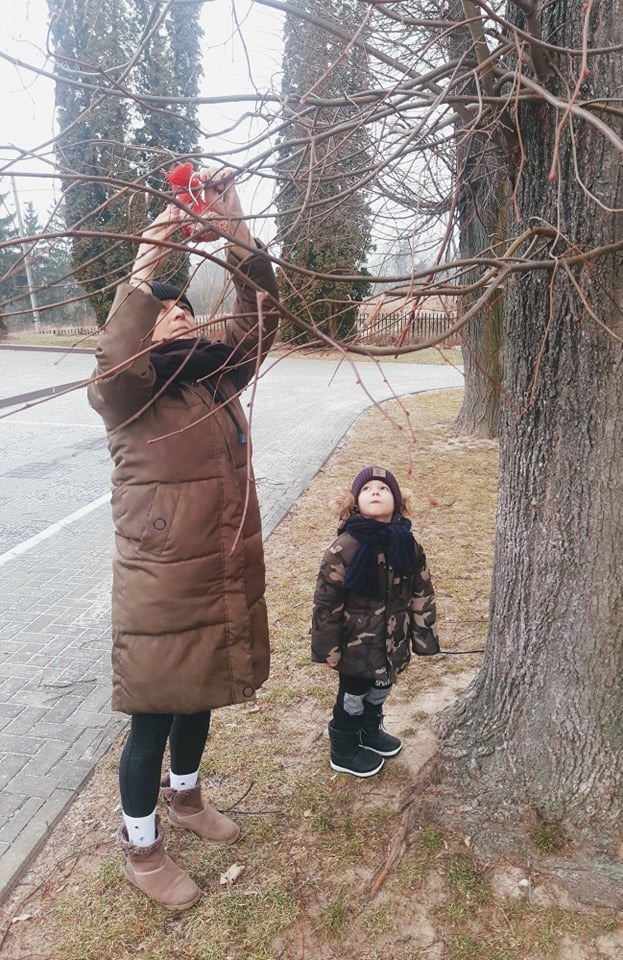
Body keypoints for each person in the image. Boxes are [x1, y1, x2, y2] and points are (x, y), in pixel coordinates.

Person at [87, 167, 280, 910]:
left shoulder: (213, 378)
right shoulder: (128, 397)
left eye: (184, 313)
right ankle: (141, 846)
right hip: (162, 583)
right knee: (154, 715)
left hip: (215, 571)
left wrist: (236, 237)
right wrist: (148, 259)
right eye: (164, 316)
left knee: (198, 696)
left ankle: (188, 798)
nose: (178, 320)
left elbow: (259, 321)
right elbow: (115, 361)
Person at [311, 465, 440, 778]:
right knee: (353, 695)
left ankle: (369, 731)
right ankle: (343, 746)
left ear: (397, 501)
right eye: (368, 489)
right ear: (355, 503)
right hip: (355, 646)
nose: (376, 493)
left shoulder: (406, 544)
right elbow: (326, 603)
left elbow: (421, 591)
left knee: (382, 687)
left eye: (383, 489)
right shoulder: (345, 548)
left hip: (393, 639)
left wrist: (423, 637)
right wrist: (327, 650)